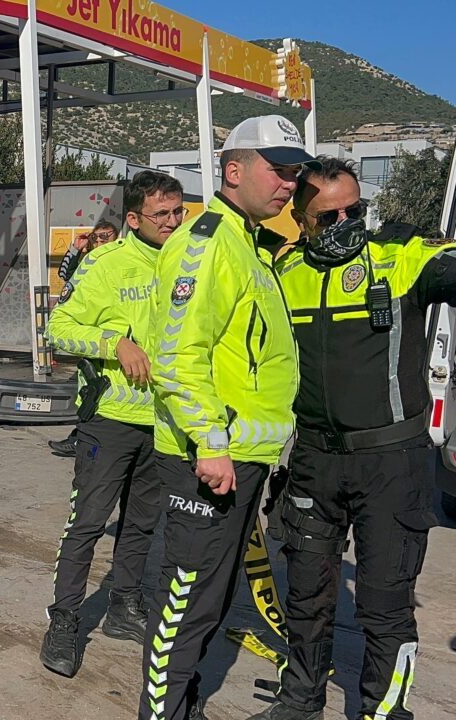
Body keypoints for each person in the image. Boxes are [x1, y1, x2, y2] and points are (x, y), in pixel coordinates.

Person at [247, 158, 452, 720]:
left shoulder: (400, 257)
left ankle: (383, 712)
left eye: (355, 209)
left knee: (385, 605)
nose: (346, 221)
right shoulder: (283, 270)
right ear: (302, 221)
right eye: (330, 214)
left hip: (394, 463)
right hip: (314, 459)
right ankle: (300, 700)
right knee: (307, 594)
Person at [138, 116, 318, 720]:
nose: (289, 183)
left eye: (294, 171)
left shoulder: (247, 243)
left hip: (242, 458)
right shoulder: (209, 243)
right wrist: (211, 444)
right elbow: (177, 355)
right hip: (208, 461)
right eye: (278, 169)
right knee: (185, 609)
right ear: (233, 171)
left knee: (208, 606)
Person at [39, 172, 187, 678]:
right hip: (110, 419)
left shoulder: (188, 261)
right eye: (160, 214)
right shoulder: (105, 263)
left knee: (143, 523)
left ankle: (125, 606)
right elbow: (57, 330)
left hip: (164, 419)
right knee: (87, 523)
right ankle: (64, 620)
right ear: (132, 218)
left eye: (177, 212)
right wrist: (113, 344)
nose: (171, 223)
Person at [50, 220, 119, 457]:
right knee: (89, 391)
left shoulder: (119, 259)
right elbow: (65, 276)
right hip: (90, 336)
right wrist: (74, 249)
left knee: (98, 392)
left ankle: (81, 440)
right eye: (96, 238)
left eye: (105, 237)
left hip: (111, 335)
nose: (99, 242)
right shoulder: (88, 261)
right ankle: (78, 438)